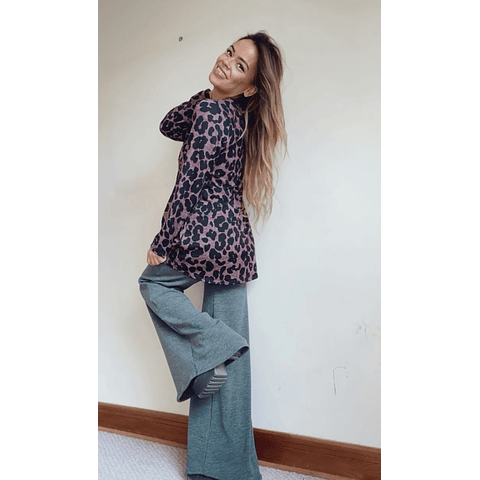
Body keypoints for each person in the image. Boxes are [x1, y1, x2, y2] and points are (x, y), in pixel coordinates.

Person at [138, 31, 286, 480]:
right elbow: (170, 124)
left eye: (240, 66)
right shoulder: (230, 114)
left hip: (203, 236)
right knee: (226, 369)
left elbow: (189, 183)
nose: (226, 62)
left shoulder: (211, 114)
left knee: (154, 285)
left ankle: (215, 347)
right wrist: (212, 92)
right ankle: (224, 469)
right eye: (229, 52)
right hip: (234, 244)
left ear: (251, 87)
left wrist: (163, 241)